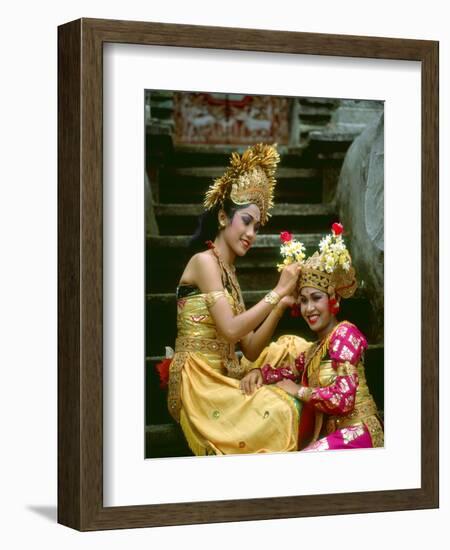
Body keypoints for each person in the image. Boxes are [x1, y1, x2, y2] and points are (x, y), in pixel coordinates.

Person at [163, 143, 309, 456]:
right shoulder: (204, 262)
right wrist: (278, 291)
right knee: (280, 409)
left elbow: (251, 347)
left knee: (294, 349)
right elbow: (230, 330)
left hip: (228, 369)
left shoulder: (229, 272)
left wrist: (281, 305)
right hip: (201, 381)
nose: (252, 233)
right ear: (221, 217)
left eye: (257, 226)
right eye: (246, 221)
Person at [251, 223, 384, 451]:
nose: (309, 308)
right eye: (303, 301)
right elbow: (287, 371)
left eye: (316, 298)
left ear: (334, 300)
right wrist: (258, 373)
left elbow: (344, 399)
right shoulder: (315, 350)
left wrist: (298, 391)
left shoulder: (344, 334)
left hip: (359, 433)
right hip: (336, 437)